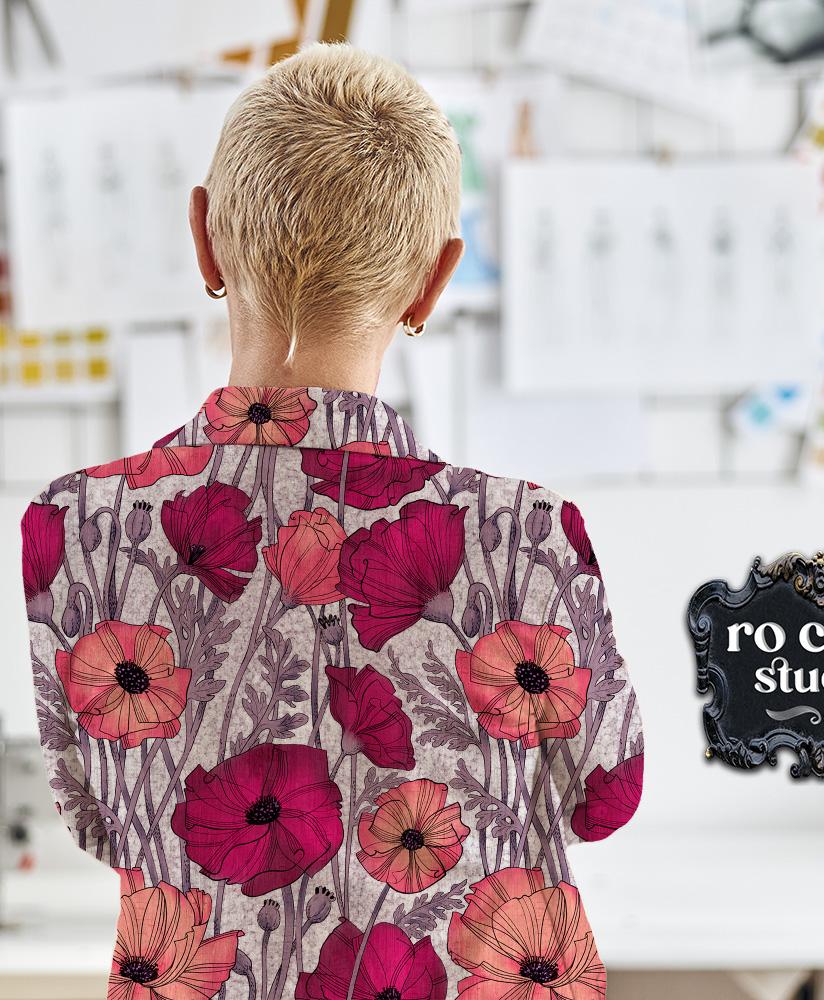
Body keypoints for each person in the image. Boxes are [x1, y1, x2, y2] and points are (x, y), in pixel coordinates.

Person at [21, 43, 644, 1000]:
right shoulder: (528, 534)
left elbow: (95, 817)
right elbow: (606, 799)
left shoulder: (74, 527)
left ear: (205, 241)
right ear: (433, 282)